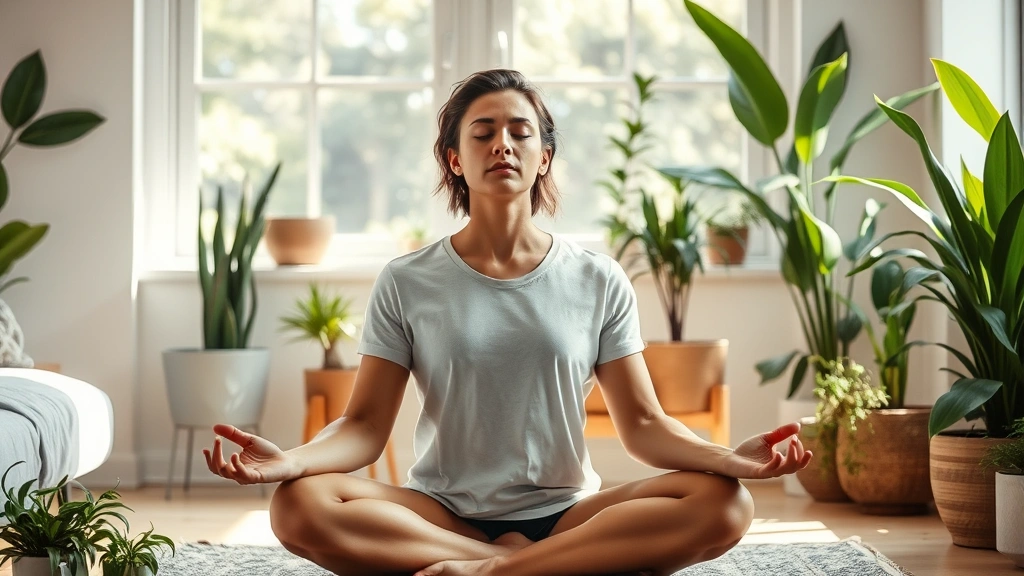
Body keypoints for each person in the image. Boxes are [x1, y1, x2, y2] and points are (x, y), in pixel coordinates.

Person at [203, 69, 812, 576]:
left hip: (568, 510)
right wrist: (291, 461)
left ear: (543, 158)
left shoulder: (596, 279)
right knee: (299, 505)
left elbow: (646, 425)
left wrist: (728, 459)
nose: (503, 145)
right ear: (454, 158)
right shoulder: (407, 280)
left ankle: (492, 571)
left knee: (725, 504)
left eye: (520, 133)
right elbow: (364, 426)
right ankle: (529, 564)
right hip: (440, 511)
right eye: (483, 133)